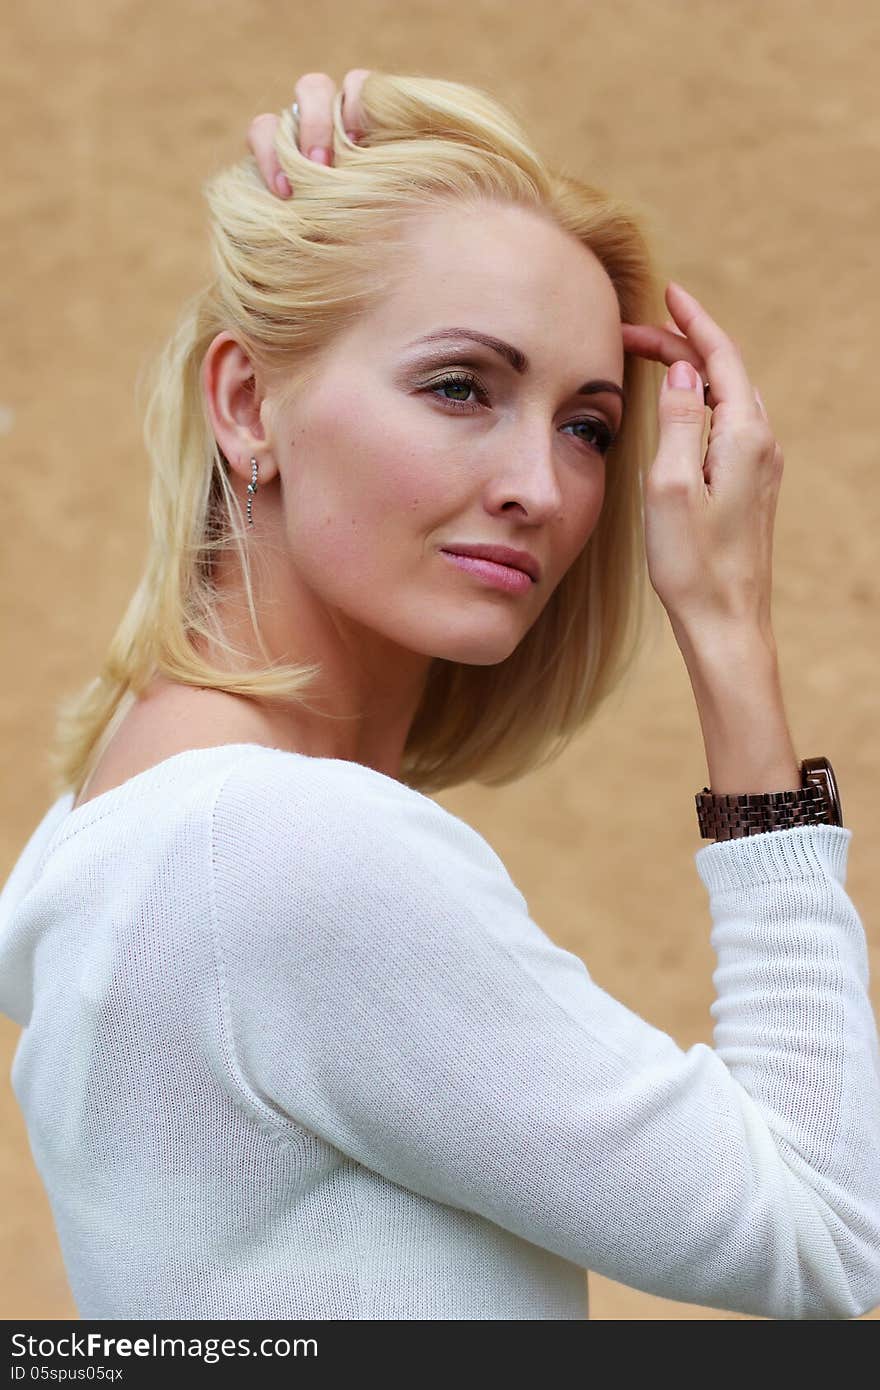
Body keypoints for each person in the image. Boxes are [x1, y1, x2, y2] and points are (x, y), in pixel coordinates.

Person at [0, 68, 878, 1322]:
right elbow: (831, 1241)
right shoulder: (291, 852)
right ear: (249, 404)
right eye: (460, 386)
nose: (544, 486)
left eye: (587, 423)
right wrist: (731, 629)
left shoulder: (107, 826)